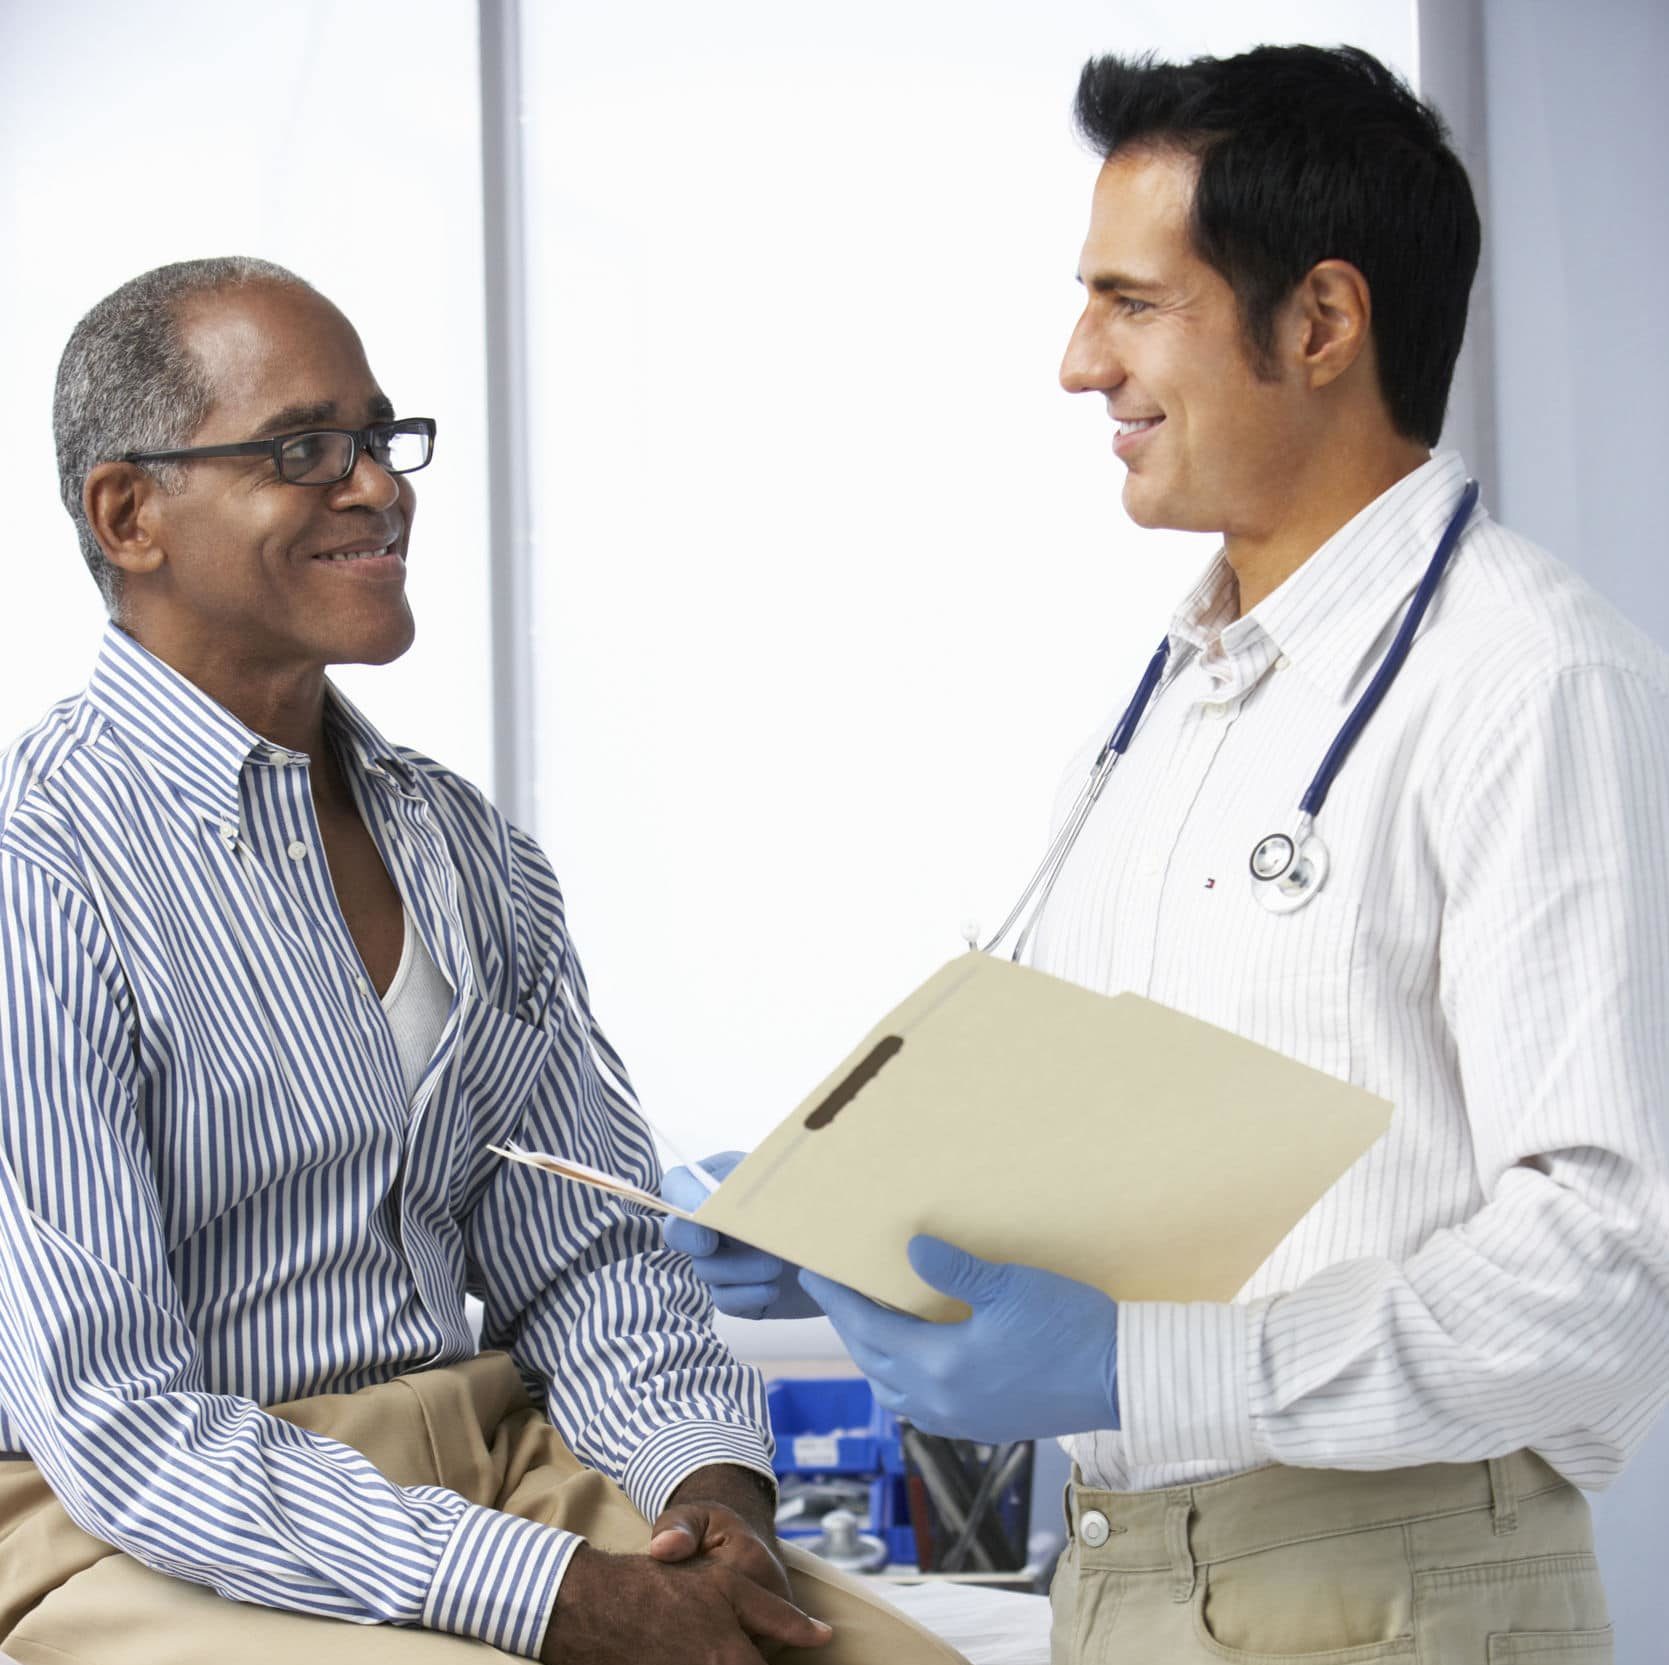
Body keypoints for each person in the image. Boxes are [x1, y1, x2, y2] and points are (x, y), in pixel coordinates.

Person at [663, 44, 1669, 1662]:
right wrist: (833, 1213)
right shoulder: (1172, 707)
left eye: (1130, 302)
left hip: (1384, 1584)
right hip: (1127, 1574)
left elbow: (1602, 1277)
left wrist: (1140, 1367)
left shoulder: (1527, 680)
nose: (1079, 362)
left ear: (1319, 322)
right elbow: (1089, 1159)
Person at [0, 257, 964, 1665]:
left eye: (381, 439)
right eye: (303, 449)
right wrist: (562, 1596)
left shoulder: (466, 849)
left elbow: (587, 1264)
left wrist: (712, 1503)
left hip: (485, 1461)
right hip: (146, 1521)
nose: (379, 487)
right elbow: (118, 1424)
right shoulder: (40, 871)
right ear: (127, 513)